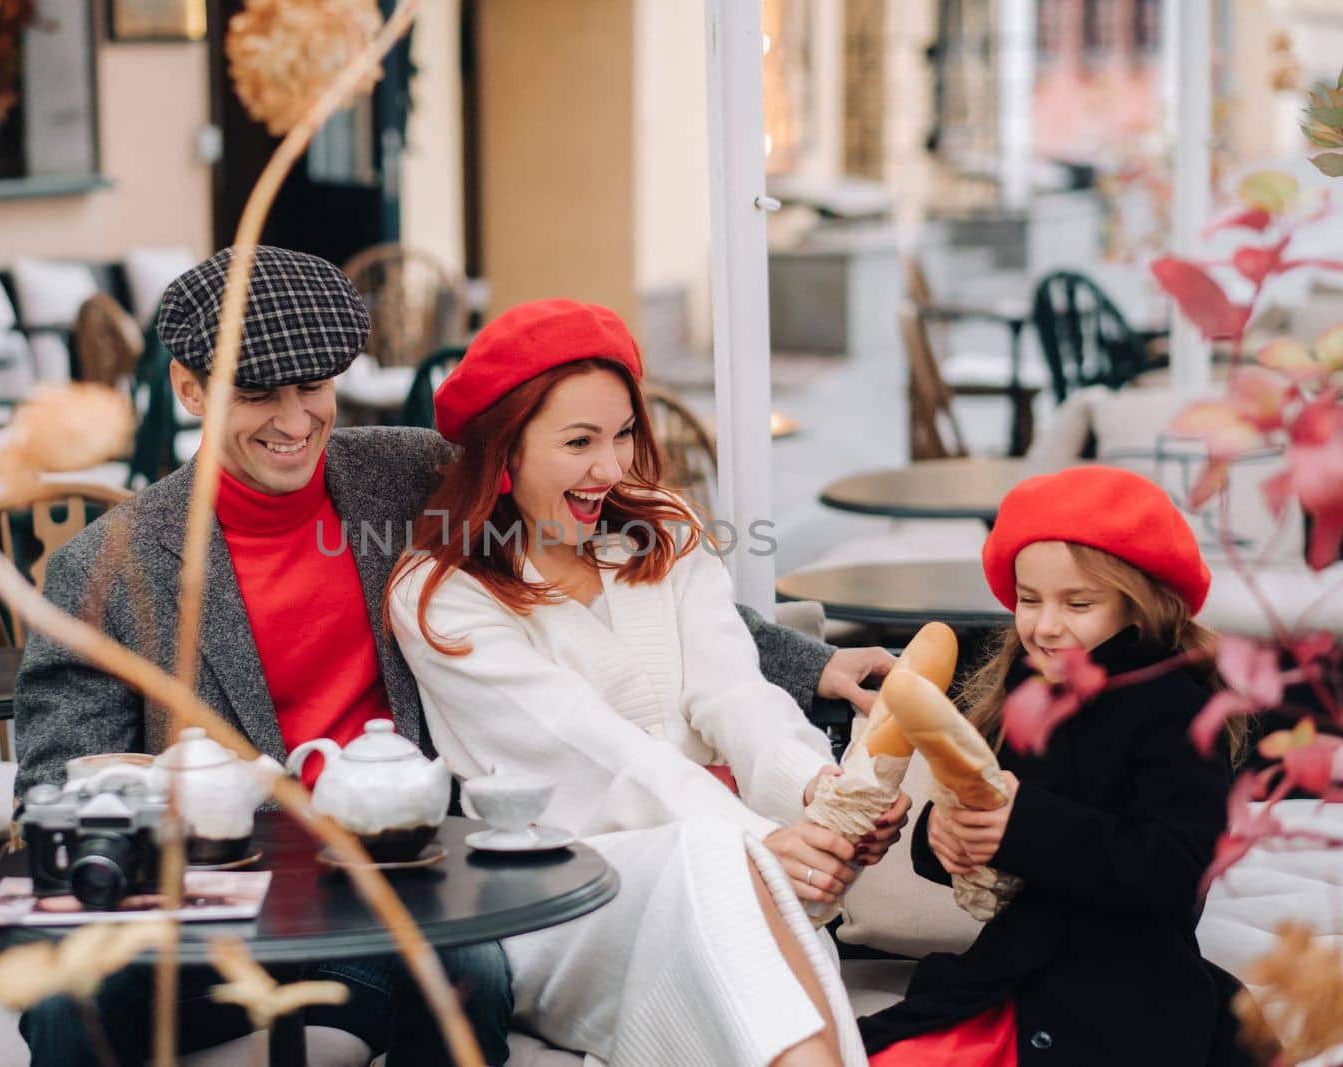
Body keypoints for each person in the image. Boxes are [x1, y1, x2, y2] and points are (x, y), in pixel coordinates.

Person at [12, 247, 512, 1067]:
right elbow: (53, 784)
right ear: (187, 388)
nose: (294, 420)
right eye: (256, 395)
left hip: (386, 890)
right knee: (68, 1001)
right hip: (202, 923)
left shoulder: (409, 478)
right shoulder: (106, 564)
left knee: (473, 972)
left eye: (313, 386)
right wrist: (156, 797)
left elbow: (591, 569)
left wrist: (790, 657)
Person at [385, 298, 913, 1067]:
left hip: (729, 871)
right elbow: (595, 752)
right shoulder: (438, 593)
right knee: (714, 859)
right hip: (559, 898)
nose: (613, 467)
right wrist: (762, 840)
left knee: (724, 877)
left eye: (624, 432)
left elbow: (733, 688)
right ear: (504, 451)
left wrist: (820, 793)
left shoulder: (661, 530)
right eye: (580, 442)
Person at [859, 466, 1253, 1067]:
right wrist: (943, 838)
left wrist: (1023, 828)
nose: (1045, 626)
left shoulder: (1178, 706)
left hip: (1127, 997)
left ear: (1139, 602)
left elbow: (1176, 873)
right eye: (1028, 600)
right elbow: (991, 815)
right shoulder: (1028, 688)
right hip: (1006, 976)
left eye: (1079, 603)